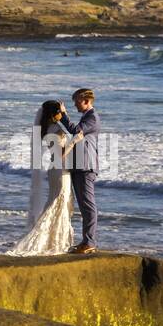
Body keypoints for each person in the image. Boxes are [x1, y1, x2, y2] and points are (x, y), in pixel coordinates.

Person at [7, 100, 83, 256]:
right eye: (60, 112)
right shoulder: (55, 129)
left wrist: (66, 114)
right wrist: (75, 140)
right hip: (60, 170)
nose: (62, 114)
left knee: (57, 202)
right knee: (58, 203)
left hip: (56, 169)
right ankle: (51, 240)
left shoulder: (48, 128)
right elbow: (61, 154)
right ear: (54, 113)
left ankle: (54, 240)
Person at [60, 88, 99, 254]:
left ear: (86, 100)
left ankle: (89, 242)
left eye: (76, 101)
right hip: (79, 165)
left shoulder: (92, 117)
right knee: (84, 205)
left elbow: (75, 131)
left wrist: (63, 115)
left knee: (87, 205)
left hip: (85, 166)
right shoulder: (87, 116)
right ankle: (86, 241)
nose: (75, 104)